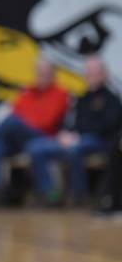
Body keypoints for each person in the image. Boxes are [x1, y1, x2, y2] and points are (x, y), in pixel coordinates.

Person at [25, 56, 122, 206]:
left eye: (95, 72)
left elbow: (109, 125)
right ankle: (50, 194)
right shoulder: (81, 98)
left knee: (76, 150)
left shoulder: (112, 99)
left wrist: (78, 134)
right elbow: (70, 121)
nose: (91, 76)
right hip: (75, 139)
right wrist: (65, 133)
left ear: (104, 74)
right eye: (88, 72)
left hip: (98, 141)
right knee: (36, 148)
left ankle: (78, 196)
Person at [0, 57, 69, 207]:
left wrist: (25, 122)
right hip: (20, 138)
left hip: (43, 136)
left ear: (53, 75)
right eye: (39, 73)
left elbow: (48, 122)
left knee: (12, 122)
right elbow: (16, 110)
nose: (42, 77)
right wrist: (23, 121)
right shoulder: (27, 91)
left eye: (45, 74)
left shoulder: (60, 94)